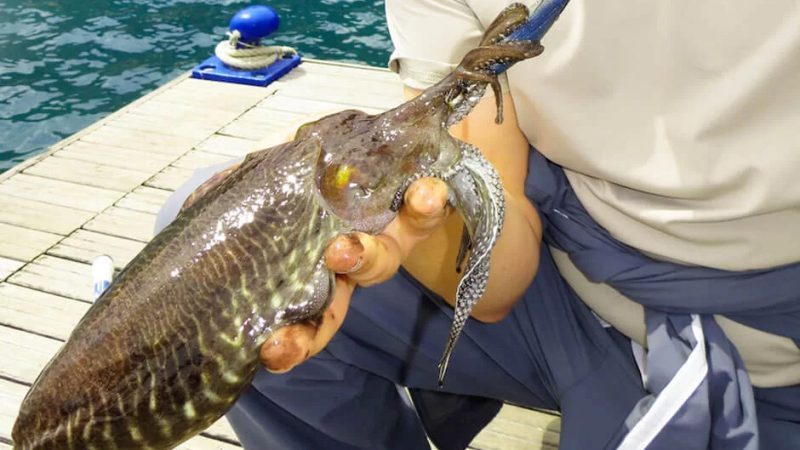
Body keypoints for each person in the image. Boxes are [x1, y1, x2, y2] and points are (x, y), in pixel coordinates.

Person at [156, 1, 800, 448]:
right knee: (201, 270)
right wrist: (414, 222)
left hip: (778, 336)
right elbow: (495, 283)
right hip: (580, 283)